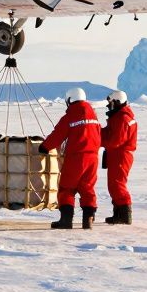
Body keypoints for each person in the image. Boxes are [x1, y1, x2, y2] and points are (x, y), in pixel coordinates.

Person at [40, 87, 102, 229]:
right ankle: (88, 219)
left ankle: (66, 220)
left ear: (69, 99)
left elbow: (58, 134)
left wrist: (45, 147)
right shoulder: (94, 117)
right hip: (93, 157)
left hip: (76, 157)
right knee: (87, 188)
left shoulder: (70, 116)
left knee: (67, 188)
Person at [101, 90, 137, 225]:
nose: (108, 105)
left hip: (120, 155)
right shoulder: (120, 117)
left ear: (116, 102)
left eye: (110, 102)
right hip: (118, 154)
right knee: (114, 185)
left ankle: (125, 215)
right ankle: (118, 213)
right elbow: (110, 133)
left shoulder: (122, 118)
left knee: (117, 184)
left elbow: (116, 140)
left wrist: (97, 140)